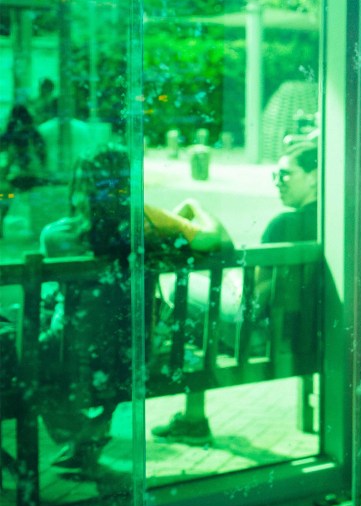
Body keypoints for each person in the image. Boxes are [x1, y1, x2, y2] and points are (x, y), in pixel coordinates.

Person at [37, 145, 230, 472]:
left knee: (31, 352)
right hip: (133, 355)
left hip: (72, 358)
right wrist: (193, 204)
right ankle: (92, 430)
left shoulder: (55, 235)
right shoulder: (147, 224)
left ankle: (83, 432)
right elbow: (217, 239)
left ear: (78, 185)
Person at [150, 138, 320, 443]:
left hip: (261, 338)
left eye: (285, 175)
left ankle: (192, 415)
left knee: (180, 289)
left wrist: (230, 281)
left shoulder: (285, 224)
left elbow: (253, 301)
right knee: (202, 307)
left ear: (313, 176)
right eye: (275, 176)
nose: (277, 183)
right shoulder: (333, 224)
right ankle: (193, 419)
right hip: (311, 334)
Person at [0, 105, 49, 237]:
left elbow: (10, 158)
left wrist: (4, 175)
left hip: (20, 178)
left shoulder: (13, 134)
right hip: (38, 178)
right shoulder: (35, 133)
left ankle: (1, 220)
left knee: (4, 193)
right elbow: (42, 156)